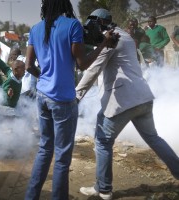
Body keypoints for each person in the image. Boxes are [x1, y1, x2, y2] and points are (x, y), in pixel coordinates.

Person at [76, 9, 179, 200]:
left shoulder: (112, 39)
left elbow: (93, 70)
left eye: (93, 24)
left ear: (100, 23)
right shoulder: (125, 36)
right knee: (154, 139)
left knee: (103, 141)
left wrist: (76, 96)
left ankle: (104, 189)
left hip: (124, 100)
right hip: (143, 98)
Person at [24, 1, 116, 199]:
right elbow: (82, 64)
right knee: (62, 157)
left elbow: (29, 66)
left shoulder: (35, 29)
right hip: (63, 100)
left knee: (44, 149)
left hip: (42, 96)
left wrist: (45, 78)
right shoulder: (72, 25)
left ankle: (31, 196)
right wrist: (103, 43)